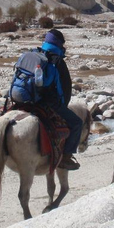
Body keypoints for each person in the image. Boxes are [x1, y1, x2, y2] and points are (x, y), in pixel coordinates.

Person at [32, 29, 83, 171]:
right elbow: (64, 90)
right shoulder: (57, 61)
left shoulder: (34, 54)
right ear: (60, 44)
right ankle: (66, 157)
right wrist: (62, 106)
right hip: (48, 104)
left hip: (27, 100)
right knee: (77, 123)